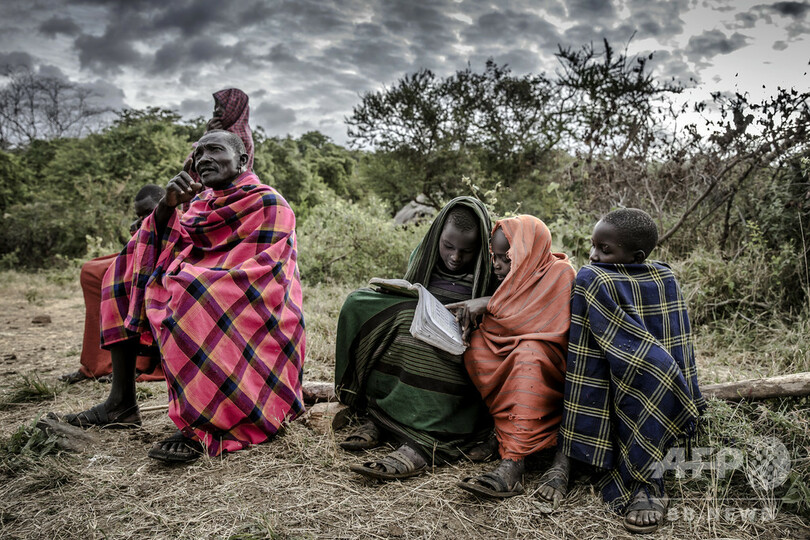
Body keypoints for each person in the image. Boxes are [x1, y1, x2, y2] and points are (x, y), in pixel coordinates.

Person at [63, 130, 306, 463]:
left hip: (260, 300)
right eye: (199, 153)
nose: (203, 158)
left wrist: (192, 275)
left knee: (190, 290)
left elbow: (265, 269)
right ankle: (121, 403)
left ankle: (203, 423)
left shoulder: (268, 202)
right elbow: (166, 243)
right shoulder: (202, 203)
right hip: (206, 282)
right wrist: (166, 205)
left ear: (243, 160)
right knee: (122, 272)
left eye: (214, 150)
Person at [536, 208, 704, 534]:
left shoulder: (662, 277)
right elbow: (587, 349)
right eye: (593, 246)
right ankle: (567, 456)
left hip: (647, 375)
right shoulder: (592, 277)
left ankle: (646, 481)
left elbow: (674, 342)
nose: (593, 255)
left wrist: (654, 366)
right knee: (645, 371)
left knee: (655, 376)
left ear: (636, 256)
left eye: (605, 250)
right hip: (601, 370)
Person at [335, 197, 494, 480]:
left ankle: (421, 444)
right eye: (448, 246)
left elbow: (515, 306)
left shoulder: (492, 272)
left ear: (480, 246)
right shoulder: (424, 257)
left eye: (466, 251)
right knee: (362, 305)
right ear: (436, 236)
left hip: (460, 358)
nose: (455, 257)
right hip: (420, 334)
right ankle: (381, 418)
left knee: (425, 349)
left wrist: (484, 303)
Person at [450, 215, 575, 498]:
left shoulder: (560, 273)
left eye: (507, 258)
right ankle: (502, 432)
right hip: (513, 348)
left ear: (527, 253)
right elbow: (507, 320)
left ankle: (513, 463)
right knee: (479, 347)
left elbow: (549, 325)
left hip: (547, 358)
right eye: (494, 256)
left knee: (527, 358)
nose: (497, 265)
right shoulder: (513, 277)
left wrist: (489, 303)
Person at [59, 185, 167, 385]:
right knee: (91, 271)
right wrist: (139, 233)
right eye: (139, 215)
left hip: (163, 265)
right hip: (141, 259)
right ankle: (95, 363)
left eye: (148, 212)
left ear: (163, 203)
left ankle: (139, 364)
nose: (143, 218)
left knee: (124, 279)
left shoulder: (173, 213)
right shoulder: (145, 223)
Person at [184, 88, 254, 178]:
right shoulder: (217, 130)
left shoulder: (241, 138)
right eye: (216, 106)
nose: (217, 110)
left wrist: (211, 134)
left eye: (222, 106)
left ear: (234, 108)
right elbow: (191, 165)